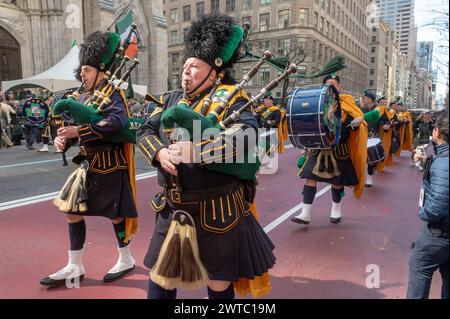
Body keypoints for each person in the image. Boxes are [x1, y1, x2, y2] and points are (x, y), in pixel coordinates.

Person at [137, 14, 275, 300]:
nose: (185, 72)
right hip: (172, 207)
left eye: (194, 67)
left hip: (218, 210)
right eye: (185, 66)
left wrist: (197, 151)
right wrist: (159, 152)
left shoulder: (233, 98)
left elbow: (247, 140)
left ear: (216, 71)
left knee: (218, 284)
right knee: (160, 279)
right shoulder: (171, 99)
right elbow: (144, 131)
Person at [40, 31, 138, 288]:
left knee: (116, 216)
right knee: (71, 211)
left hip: (110, 165)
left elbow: (118, 123)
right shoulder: (81, 96)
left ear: (101, 70)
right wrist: (64, 140)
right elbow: (73, 126)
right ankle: (75, 264)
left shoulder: (113, 94)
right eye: (81, 70)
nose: (81, 75)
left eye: (86, 70)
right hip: (87, 166)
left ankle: (126, 259)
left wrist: (79, 132)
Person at [291, 74, 368, 225]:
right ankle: (305, 214)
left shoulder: (348, 105)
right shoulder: (318, 104)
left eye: (333, 84)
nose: (330, 86)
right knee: (310, 178)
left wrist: (353, 125)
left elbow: (345, 133)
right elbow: (311, 127)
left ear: (339, 87)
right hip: (319, 148)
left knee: (337, 182)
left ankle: (336, 210)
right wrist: (307, 144)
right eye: (327, 84)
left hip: (338, 148)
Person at [407, 110, 449, 299]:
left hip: (438, 232)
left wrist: (424, 213)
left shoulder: (443, 162)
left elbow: (437, 206)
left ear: (437, 131)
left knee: (419, 266)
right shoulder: (440, 160)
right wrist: (428, 163)